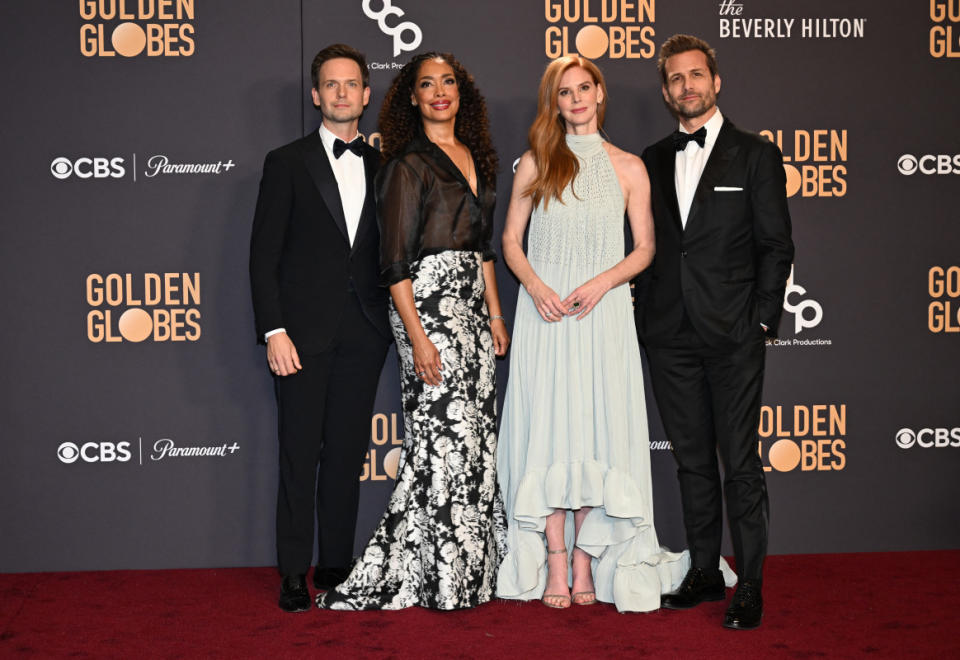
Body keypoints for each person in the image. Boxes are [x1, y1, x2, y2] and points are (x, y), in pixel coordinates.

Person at [495, 55, 688, 613]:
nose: (576, 98)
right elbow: (510, 239)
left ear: (600, 95)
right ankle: (555, 557)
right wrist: (534, 287)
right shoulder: (535, 162)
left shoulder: (629, 166)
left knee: (595, 433)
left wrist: (603, 282)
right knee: (552, 431)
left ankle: (586, 559)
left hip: (602, 316)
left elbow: (646, 248)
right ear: (553, 102)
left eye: (584, 88)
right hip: (547, 315)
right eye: (564, 91)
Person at [318, 52, 509, 611]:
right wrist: (418, 337)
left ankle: (472, 573)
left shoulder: (478, 157)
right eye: (426, 84)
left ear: (461, 93)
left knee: (473, 446)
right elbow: (395, 263)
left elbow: (484, 249)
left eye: (448, 81)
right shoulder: (405, 164)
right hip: (426, 308)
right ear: (412, 98)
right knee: (440, 444)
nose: (439, 91)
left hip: (474, 310)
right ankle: (439, 579)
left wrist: (496, 315)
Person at [637, 34, 794, 630]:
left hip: (733, 334)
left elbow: (775, 246)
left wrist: (760, 321)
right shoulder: (651, 157)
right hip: (669, 334)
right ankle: (704, 570)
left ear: (716, 80)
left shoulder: (755, 154)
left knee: (741, 464)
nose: (687, 86)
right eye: (675, 78)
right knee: (692, 461)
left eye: (695, 75)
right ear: (665, 90)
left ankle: (749, 584)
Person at [249, 43, 392, 613]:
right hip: (300, 337)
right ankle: (291, 571)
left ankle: (336, 565)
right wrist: (273, 331)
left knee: (346, 455)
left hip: (365, 333)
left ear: (365, 93)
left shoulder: (387, 168)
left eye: (350, 84)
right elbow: (263, 257)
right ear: (316, 95)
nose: (340, 93)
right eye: (330, 84)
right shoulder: (286, 162)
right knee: (298, 455)